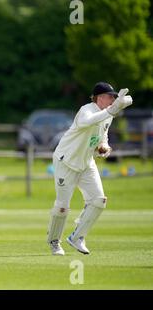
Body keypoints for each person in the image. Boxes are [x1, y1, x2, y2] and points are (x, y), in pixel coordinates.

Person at [47, 82, 133, 255]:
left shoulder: (108, 115)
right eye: (110, 96)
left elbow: (103, 135)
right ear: (99, 97)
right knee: (62, 207)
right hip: (66, 162)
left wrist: (104, 147)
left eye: (114, 97)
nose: (113, 100)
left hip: (86, 163)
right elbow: (88, 122)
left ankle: (77, 237)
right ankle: (54, 242)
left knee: (99, 200)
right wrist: (109, 111)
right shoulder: (86, 110)